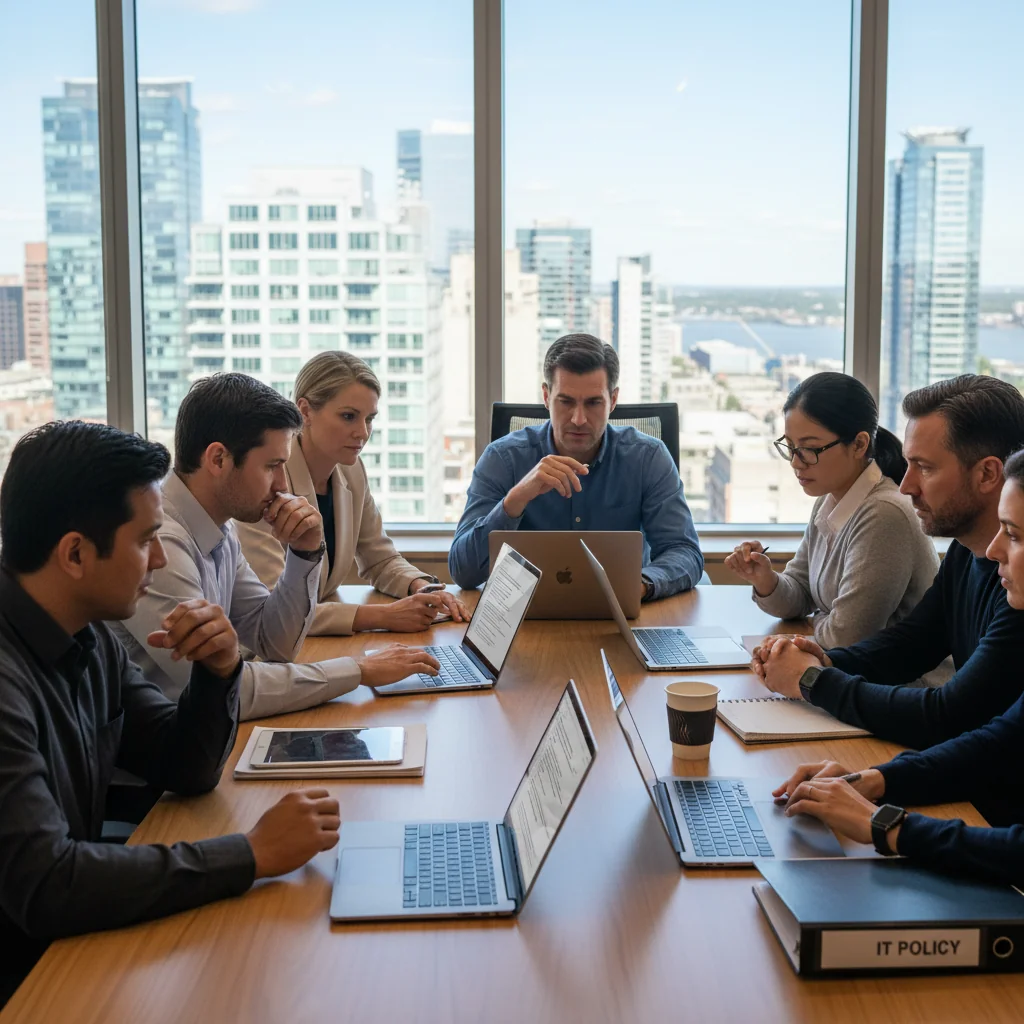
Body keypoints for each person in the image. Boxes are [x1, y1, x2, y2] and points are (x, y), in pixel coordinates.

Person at [0, 421, 342, 1004]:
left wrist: (219, 672)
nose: (158, 559)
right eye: (144, 540)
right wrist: (250, 853)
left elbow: (182, 766)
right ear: (76, 554)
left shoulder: (87, 636)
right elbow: (48, 883)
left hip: (65, 945)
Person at [114, 374, 439, 721]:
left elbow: (275, 644)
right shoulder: (160, 542)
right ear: (218, 459)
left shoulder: (219, 528)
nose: (284, 486)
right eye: (272, 467)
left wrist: (304, 553)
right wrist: (359, 670)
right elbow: (231, 691)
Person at [773, 447, 1024, 879]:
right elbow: (997, 744)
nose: (996, 549)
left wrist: (886, 826)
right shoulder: (970, 555)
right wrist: (873, 781)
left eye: (1016, 535)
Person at [752, 374, 1024, 752]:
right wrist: (824, 659)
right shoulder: (967, 549)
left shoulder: (1018, 588)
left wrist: (813, 680)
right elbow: (911, 644)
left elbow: (947, 716)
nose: (907, 485)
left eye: (924, 468)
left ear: (987, 474)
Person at [448, 333, 703, 597]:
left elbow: (685, 553)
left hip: (625, 615)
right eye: (566, 401)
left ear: (613, 400)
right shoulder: (503, 458)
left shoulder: (647, 458)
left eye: (593, 403)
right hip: (524, 620)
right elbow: (463, 571)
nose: (579, 419)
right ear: (546, 397)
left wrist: (640, 585)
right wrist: (516, 499)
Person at [236, 351, 468, 634]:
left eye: (369, 419)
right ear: (305, 411)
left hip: (315, 643)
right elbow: (275, 609)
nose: (363, 432)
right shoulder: (267, 482)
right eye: (348, 417)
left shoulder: (351, 470)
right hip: (263, 653)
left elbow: (379, 559)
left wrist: (422, 588)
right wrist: (384, 616)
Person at [726, 372, 938, 649]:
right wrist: (766, 580)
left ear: (860, 444)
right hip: (850, 674)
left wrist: (820, 618)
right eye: (790, 447)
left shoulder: (884, 514)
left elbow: (848, 636)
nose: (795, 462)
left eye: (810, 449)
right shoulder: (829, 501)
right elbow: (800, 595)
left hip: (902, 686)